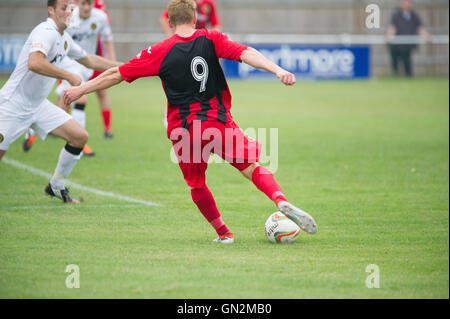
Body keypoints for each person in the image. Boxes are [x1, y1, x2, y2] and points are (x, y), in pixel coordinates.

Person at [64, 0, 318, 242]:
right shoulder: (212, 38)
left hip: (184, 130)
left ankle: (224, 234)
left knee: (197, 185)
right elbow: (246, 53)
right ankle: (279, 198)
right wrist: (278, 70)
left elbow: (115, 74)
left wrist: (80, 90)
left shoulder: (159, 51)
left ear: (171, 22)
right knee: (250, 167)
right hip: (218, 122)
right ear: (195, 17)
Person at [0, 0, 120, 203]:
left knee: (79, 137)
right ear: (51, 10)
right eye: (64, 8)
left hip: (38, 106)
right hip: (12, 106)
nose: (68, 12)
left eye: (70, 8)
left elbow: (90, 59)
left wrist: (127, 67)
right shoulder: (45, 31)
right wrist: (69, 75)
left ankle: (55, 186)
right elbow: (34, 62)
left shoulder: (63, 38)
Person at [23, 0, 117, 157]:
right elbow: (52, 48)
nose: (86, 7)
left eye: (89, 4)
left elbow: (101, 47)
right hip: (67, 64)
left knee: (62, 107)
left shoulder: (100, 17)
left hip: (84, 64)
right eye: (83, 4)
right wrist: (67, 73)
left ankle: (32, 130)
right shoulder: (65, 20)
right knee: (81, 100)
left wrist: (118, 66)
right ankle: (82, 143)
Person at [386, 0, 432, 77]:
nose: (407, 4)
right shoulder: (396, 14)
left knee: (407, 60)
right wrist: (388, 36)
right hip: (396, 44)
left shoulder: (414, 15)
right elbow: (392, 28)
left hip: (407, 45)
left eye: (408, 2)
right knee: (394, 61)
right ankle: (395, 76)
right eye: (405, 2)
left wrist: (427, 36)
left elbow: (420, 28)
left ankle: (408, 76)